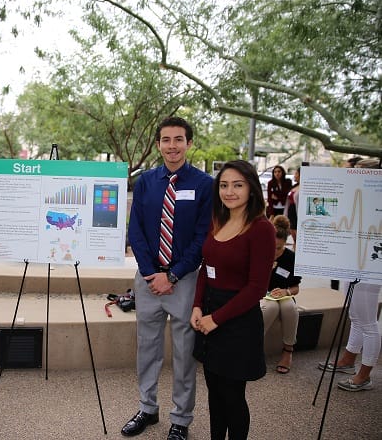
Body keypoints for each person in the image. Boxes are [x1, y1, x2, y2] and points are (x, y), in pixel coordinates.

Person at [124, 116, 213, 440]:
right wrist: (152, 274)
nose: (172, 146)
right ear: (158, 144)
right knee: (146, 349)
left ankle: (181, 418)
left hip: (184, 280)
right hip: (148, 279)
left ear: (189, 143)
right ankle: (147, 408)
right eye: (166, 139)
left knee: (184, 353)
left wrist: (172, 275)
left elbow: (202, 237)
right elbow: (136, 230)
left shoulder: (204, 185)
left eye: (178, 139)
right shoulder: (146, 181)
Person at [190, 160, 275, 440]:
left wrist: (216, 319)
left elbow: (257, 288)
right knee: (214, 393)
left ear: (252, 189)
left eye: (238, 185)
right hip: (209, 314)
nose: (229, 192)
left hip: (238, 321)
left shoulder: (261, 229)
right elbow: (206, 268)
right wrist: (197, 305)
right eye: (224, 185)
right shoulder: (218, 220)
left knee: (233, 397)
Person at [319, 157, 380, 391]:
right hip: (351, 261)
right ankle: (348, 359)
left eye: (356, 172)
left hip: (369, 264)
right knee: (355, 316)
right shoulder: (358, 197)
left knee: (368, 322)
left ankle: (364, 375)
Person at [260, 215, 301, 374]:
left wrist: (286, 291)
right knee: (270, 307)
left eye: (278, 248)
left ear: (285, 243)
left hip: (284, 295)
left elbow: (296, 287)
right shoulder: (260, 253)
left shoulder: (291, 258)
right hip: (262, 295)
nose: (274, 251)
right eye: (272, 247)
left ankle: (288, 352)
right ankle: (254, 347)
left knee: (289, 307)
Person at [284, 167, 300, 250]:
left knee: (298, 236)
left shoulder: (305, 187)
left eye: (296, 173)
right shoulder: (294, 186)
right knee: (293, 233)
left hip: (297, 212)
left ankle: (297, 251)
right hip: (291, 211)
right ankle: (295, 249)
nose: (294, 175)